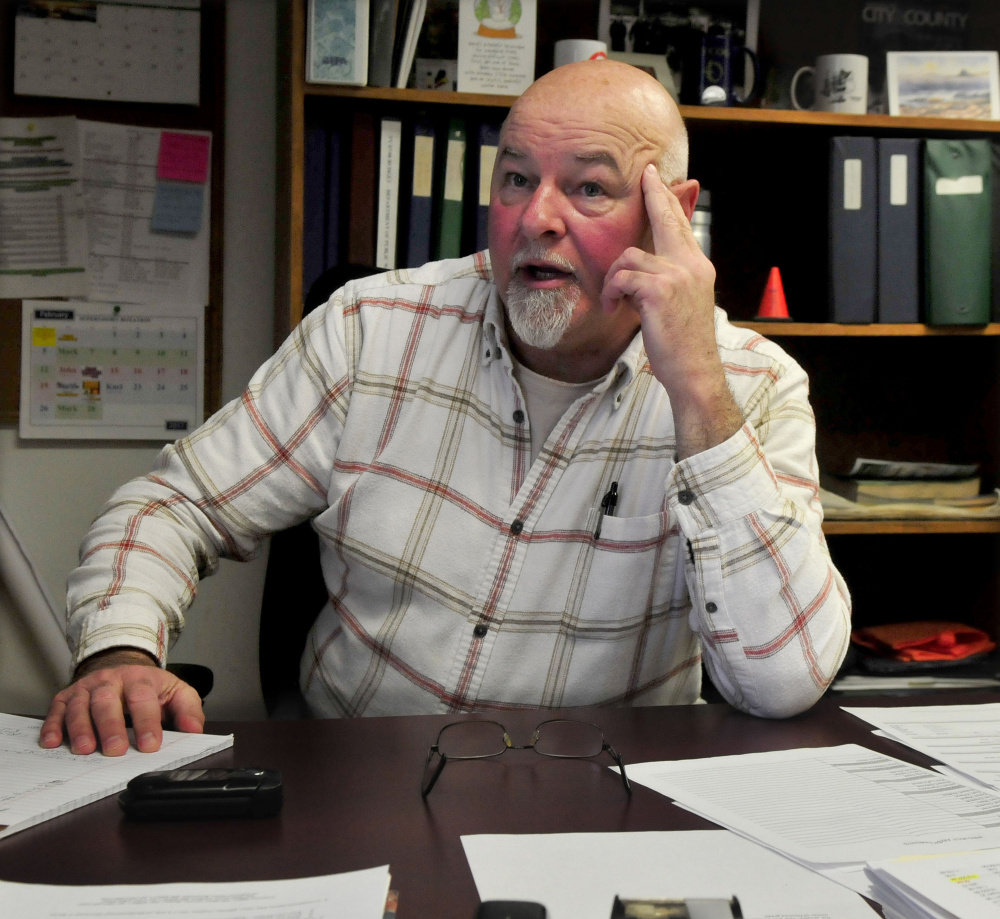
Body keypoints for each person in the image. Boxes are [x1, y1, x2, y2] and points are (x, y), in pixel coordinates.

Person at [40, 59, 850, 757]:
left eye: (590, 187)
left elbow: (783, 678)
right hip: (360, 779)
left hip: (605, 799)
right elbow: (172, 502)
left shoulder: (751, 387)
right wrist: (116, 651)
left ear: (672, 214)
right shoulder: (371, 330)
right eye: (517, 178)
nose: (538, 218)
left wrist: (697, 390)